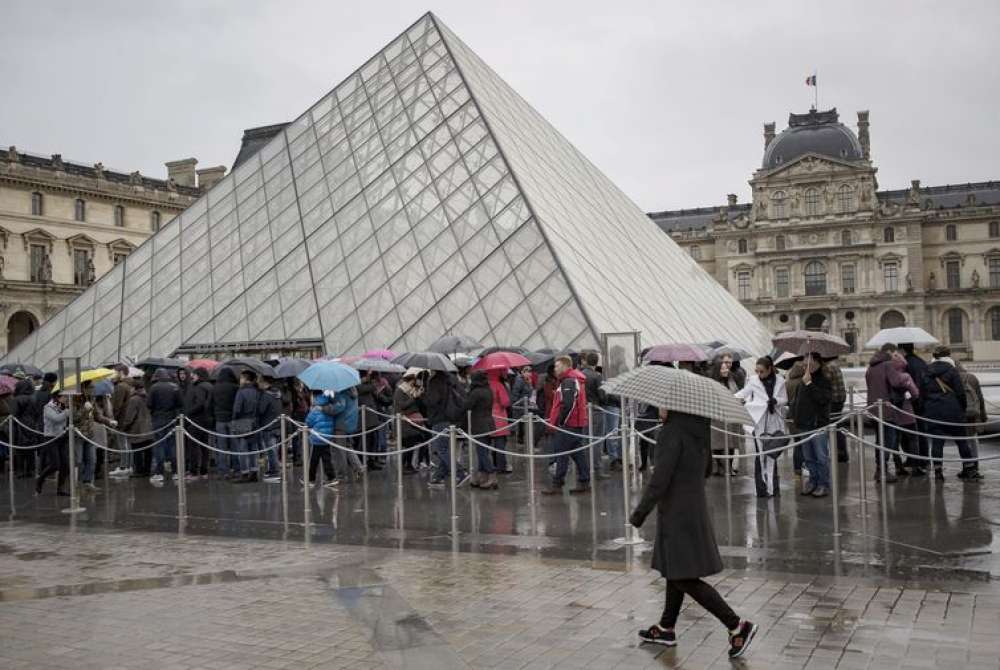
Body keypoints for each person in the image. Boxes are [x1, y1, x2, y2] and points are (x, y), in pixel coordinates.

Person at [629, 408, 758, 658]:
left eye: (662, 404)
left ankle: (737, 626)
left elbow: (660, 479)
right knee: (676, 568)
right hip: (694, 507)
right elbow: (707, 469)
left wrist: (640, 512)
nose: (659, 409)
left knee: (683, 576)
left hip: (676, 512)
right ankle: (667, 627)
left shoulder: (669, 432)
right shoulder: (699, 427)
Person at [864, 344, 920, 483]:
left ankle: (879, 470)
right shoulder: (887, 365)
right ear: (889, 351)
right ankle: (883, 470)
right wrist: (905, 377)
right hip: (887, 409)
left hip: (873, 408)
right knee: (888, 441)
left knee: (879, 440)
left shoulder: (871, 366)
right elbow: (896, 382)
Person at [735, 356, 787, 497]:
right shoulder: (753, 380)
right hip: (758, 421)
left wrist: (776, 401)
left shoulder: (780, 381)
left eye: (762, 371)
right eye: (757, 371)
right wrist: (731, 398)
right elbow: (743, 393)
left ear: (770, 369)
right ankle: (762, 489)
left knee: (772, 454)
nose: (759, 374)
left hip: (774, 421)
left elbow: (785, 399)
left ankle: (773, 487)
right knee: (760, 454)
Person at [541, 356, 591, 495]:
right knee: (577, 452)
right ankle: (584, 480)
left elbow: (568, 404)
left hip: (569, 424)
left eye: (557, 366)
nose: (555, 369)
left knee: (562, 453)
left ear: (564, 366)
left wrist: (561, 422)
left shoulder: (568, 381)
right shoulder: (573, 380)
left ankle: (557, 484)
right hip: (575, 423)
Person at [920, 346, 969, 480]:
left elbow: (922, 394)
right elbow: (960, 392)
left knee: (937, 442)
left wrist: (925, 409)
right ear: (948, 356)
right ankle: (969, 468)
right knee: (961, 440)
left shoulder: (925, 371)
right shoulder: (952, 370)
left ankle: (938, 472)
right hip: (952, 410)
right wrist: (962, 408)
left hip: (933, 410)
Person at [790, 352, 833, 497]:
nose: (803, 363)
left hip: (817, 424)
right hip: (803, 424)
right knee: (808, 457)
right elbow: (798, 401)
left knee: (821, 456)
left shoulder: (824, 380)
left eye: (807, 361)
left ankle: (823, 483)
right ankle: (813, 481)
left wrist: (809, 384)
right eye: (803, 360)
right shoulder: (802, 380)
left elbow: (823, 399)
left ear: (816, 363)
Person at [424, 369, 470, 488]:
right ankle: (438, 478)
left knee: (441, 449)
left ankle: (461, 473)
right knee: (445, 449)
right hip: (452, 417)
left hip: (439, 418)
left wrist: (424, 395)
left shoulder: (435, 381)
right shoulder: (452, 379)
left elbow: (433, 401)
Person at [709, 354, 744, 476]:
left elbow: (738, 394)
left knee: (731, 444)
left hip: (731, 418)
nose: (725, 369)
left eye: (727, 367)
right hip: (718, 419)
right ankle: (722, 467)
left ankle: (727, 467)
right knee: (718, 445)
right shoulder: (712, 383)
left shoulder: (732, 380)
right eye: (723, 367)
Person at [146, 368, 183, 483]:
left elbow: (149, 404)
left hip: (158, 419)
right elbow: (180, 403)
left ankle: (159, 472)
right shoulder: (175, 387)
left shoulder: (154, 387)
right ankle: (176, 472)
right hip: (172, 418)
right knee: (173, 445)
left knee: (159, 446)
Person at [898, 343, 930, 471]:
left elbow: (907, 384)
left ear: (902, 350)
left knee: (909, 433)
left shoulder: (906, 364)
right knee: (921, 432)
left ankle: (913, 459)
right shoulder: (921, 361)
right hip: (923, 401)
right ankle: (924, 459)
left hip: (911, 402)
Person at [464, 370, 498, 490]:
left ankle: (492, 474)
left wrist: (466, 394)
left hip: (479, 424)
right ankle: (483, 476)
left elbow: (467, 405)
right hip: (489, 423)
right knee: (483, 450)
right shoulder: (488, 390)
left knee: (481, 452)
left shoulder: (476, 392)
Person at [35, 389, 70, 496]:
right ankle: (40, 480)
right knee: (55, 464)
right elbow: (56, 419)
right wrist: (67, 412)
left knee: (65, 465)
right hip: (51, 438)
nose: (67, 399)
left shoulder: (63, 406)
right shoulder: (48, 407)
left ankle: (60, 489)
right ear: (58, 397)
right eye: (65, 397)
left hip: (62, 437)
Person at [579, 352, 609, 477]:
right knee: (597, 440)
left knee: (586, 440)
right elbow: (602, 396)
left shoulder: (580, 375)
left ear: (586, 361)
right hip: (596, 410)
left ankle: (585, 468)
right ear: (596, 363)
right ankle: (596, 468)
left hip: (584, 410)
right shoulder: (597, 376)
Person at [955, 363, 985, 481]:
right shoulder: (972, 377)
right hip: (973, 415)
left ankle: (967, 467)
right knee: (973, 441)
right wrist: (983, 416)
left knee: (964, 442)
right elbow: (980, 397)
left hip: (961, 415)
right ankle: (975, 467)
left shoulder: (953, 378)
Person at [393, 368, 425, 474]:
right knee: (408, 444)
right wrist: (414, 397)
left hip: (411, 422)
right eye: (415, 380)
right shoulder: (400, 390)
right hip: (403, 422)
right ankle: (404, 467)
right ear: (411, 380)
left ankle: (409, 465)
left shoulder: (410, 390)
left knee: (411, 443)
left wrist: (418, 395)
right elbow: (402, 405)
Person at [231, 370, 261, 483]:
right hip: (255, 421)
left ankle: (244, 472)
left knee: (242, 449)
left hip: (242, 421)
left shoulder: (241, 392)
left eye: (241, 378)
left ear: (245, 379)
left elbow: (237, 408)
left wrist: (234, 421)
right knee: (253, 448)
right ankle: (254, 472)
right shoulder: (257, 391)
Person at [304, 390, 339, 488]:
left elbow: (308, 422)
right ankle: (331, 477)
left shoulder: (315, 410)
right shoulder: (327, 406)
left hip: (317, 438)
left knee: (313, 460)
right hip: (327, 437)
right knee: (326, 458)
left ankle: (310, 479)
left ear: (314, 397)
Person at [184, 368, 214, 479]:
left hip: (197, 419)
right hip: (207, 420)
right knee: (204, 446)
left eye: (194, 375)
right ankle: (204, 470)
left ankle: (193, 471)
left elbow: (200, 403)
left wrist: (188, 412)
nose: (192, 377)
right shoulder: (210, 386)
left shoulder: (200, 387)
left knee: (193, 446)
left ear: (199, 375)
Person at [120, 380, 153, 478]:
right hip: (149, 429)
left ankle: (139, 471)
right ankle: (147, 470)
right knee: (148, 451)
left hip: (137, 430)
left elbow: (130, 416)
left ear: (134, 388)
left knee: (137, 451)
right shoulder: (148, 397)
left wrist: (125, 426)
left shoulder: (134, 399)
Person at [212, 367, 240, 478]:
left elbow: (211, 403)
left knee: (221, 446)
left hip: (219, 419)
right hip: (233, 419)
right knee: (235, 446)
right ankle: (237, 468)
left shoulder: (215, 388)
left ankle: (223, 470)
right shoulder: (235, 388)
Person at [256, 376, 282, 482]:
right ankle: (272, 470)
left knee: (271, 451)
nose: (258, 385)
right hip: (277, 424)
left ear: (264, 383)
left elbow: (261, 410)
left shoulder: (266, 395)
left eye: (260, 382)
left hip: (268, 425)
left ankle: (275, 472)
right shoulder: (277, 394)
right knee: (274, 449)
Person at [109, 365, 133, 477]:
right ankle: (129, 465)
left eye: (115, 372)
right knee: (127, 443)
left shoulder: (120, 387)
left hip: (121, 419)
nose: (113, 374)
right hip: (129, 418)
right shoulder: (130, 385)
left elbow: (117, 405)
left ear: (121, 372)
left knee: (123, 444)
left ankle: (124, 466)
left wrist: (113, 418)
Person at [487, 369, 513, 474]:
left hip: (487, 418)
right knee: (500, 444)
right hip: (499, 418)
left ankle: (491, 465)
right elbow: (505, 402)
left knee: (487, 444)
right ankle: (501, 466)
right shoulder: (499, 385)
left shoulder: (485, 385)